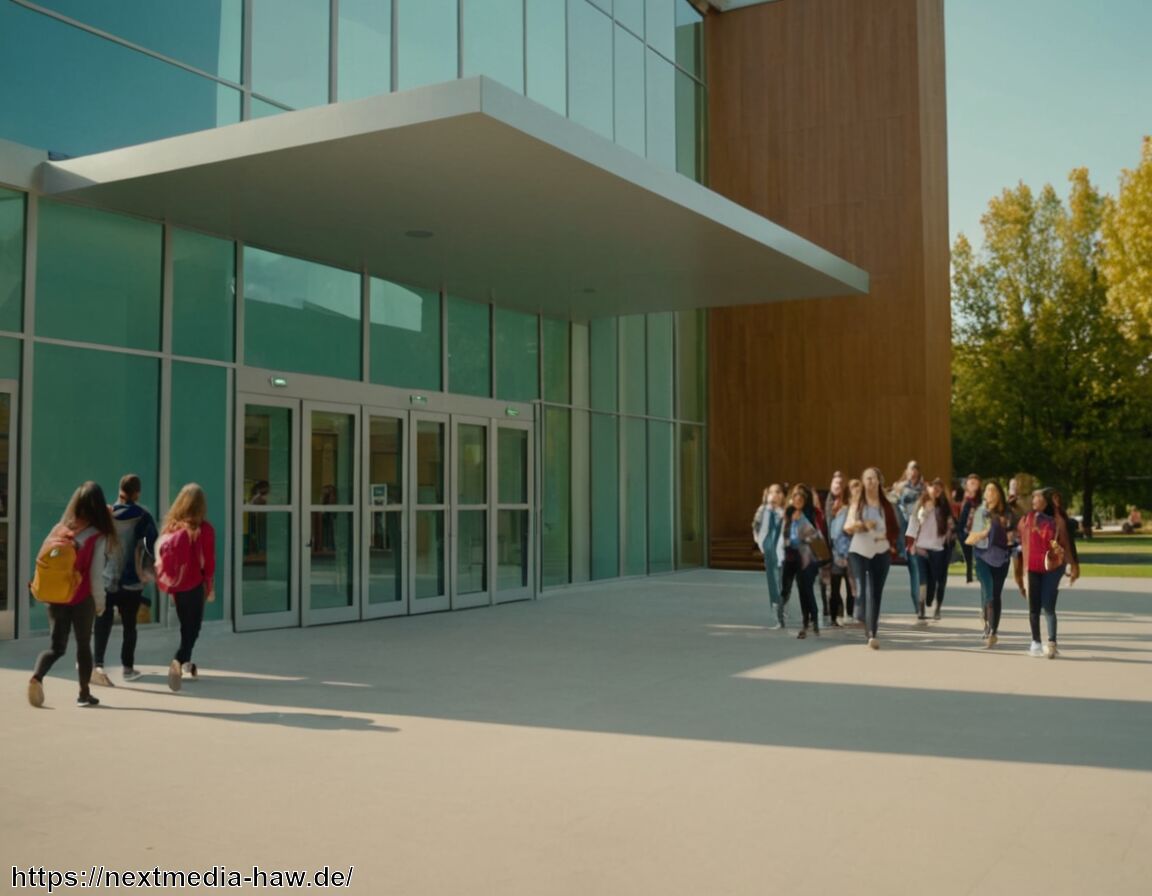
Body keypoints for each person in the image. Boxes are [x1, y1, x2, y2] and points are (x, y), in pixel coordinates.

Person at [27, 481, 118, 708]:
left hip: (56, 597)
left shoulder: (61, 528)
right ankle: (84, 694)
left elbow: (42, 559)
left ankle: (36, 677)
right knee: (84, 645)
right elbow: (97, 574)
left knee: (56, 647)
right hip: (81, 598)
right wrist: (100, 603)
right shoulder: (98, 535)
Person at [91, 473, 158, 686]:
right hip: (132, 581)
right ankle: (127, 668)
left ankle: (97, 665)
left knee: (102, 623)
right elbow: (153, 545)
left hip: (108, 577)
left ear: (120, 490)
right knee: (130, 626)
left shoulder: (107, 515)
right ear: (137, 493)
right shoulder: (144, 514)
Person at [160, 483, 217, 691]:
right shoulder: (205, 530)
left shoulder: (171, 528)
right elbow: (209, 563)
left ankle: (186, 663)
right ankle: (178, 660)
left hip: (176, 585)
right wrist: (209, 585)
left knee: (186, 625)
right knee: (194, 627)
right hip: (195, 585)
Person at [1017, 488, 1078, 658]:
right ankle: (1035, 642)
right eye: (1033, 496)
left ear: (1045, 501)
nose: (1034, 499)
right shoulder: (1027, 518)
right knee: (1033, 607)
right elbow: (1018, 535)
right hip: (1032, 567)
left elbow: (1065, 542)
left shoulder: (1056, 520)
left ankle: (1051, 642)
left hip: (1052, 567)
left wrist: (1072, 565)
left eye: (1037, 496)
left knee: (1048, 605)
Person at [846, 467, 900, 650]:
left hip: (881, 550)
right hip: (859, 550)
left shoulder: (886, 505)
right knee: (862, 589)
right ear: (863, 482)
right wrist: (861, 525)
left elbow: (895, 529)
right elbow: (847, 527)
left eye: (874, 478)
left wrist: (888, 538)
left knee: (875, 593)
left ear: (879, 481)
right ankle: (860, 613)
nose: (871, 481)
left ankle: (872, 634)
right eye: (867, 478)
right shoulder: (857, 504)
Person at [968, 480, 1014, 648]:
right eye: (987, 490)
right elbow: (971, 534)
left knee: (995, 594)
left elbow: (1013, 535)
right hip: (981, 557)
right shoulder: (981, 511)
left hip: (1001, 558)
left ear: (999, 494)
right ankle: (989, 631)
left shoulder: (1007, 513)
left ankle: (993, 628)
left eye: (993, 490)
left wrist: (1011, 539)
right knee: (989, 593)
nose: (989, 493)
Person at [779, 483, 827, 639]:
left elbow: (818, 535)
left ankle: (811, 622)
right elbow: (784, 534)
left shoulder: (813, 514)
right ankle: (792, 617)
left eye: (801, 497)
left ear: (806, 500)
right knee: (790, 588)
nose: (797, 500)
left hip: (808, 557)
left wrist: (804, 538)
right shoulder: (788, 513)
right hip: (791, 556)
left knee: (806, 589)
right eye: (794, 497)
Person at [904, 477, 956, 621]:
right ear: (928, 488)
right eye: (934, 487)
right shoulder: (920, 505)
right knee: (922, 580)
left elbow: (951, 527)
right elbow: (912, 525)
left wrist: (950, 529)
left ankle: (936, 606)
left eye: (939, 489)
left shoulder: (945, 507)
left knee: (935, 581)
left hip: (938, 549)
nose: (936, 491)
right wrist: (912, 546)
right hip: (921, 548)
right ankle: (921, 610)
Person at [890, 460, 925, 614]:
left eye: (916, 468)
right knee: (915, 569)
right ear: (907, 471)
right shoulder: (900, 487)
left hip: (922, 531)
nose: (913, 472)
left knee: (922, 570)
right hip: (907, 533)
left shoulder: (924, 488)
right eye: (911, 468)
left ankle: (922, 602)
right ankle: (919, 605)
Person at [752, 484, 787, 629]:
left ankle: (781, 610)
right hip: (770, 550)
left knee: (783, 583)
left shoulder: (784, 512)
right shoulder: (763, 510)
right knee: (773, 583)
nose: (774, 495)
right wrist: (760, 543)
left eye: (777, 492)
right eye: (771, 492)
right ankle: (778, 616)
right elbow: (756, 526)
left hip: (783, 551)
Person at [824, 473, 854, 626]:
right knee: (833, 587)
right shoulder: (827, 504)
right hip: (832, 552)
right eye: (835, 483)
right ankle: (835, 616)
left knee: (850, 587)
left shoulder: (849, 507)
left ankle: (849, 614)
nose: (837, 486)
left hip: (846, 552)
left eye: (840, 484)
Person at [956, 473, 983, 583]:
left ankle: (979, 574)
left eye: (975, 483)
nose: (973, 485)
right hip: (965, 531)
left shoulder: (982, 500)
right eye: (971, 483)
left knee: (978, 555)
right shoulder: (963, 499)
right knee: (967, 555)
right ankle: (969, 575)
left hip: (978, 532)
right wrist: (959, 533)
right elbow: (960, 516)